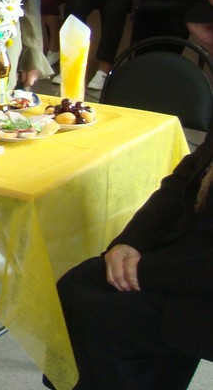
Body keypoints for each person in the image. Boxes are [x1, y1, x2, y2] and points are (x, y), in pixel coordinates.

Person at [53, 125, 213, 390]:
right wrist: (131, 241)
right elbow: (185, 179)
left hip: (202, 289)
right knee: (79, 283)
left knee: (101, 311)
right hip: (190, 258)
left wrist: (145, 271)